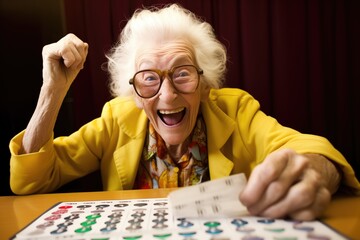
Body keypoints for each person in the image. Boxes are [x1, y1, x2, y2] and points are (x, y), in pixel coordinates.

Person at [9, 4, 359, 221]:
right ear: (133, 89)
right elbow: (33, 180)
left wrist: (315, 171)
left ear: (205, 83)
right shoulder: (116, 118)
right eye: (149, 78)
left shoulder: (236, 110)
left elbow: (310, 151)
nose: (167, 94)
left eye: (182, 73)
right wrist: (52, 90)